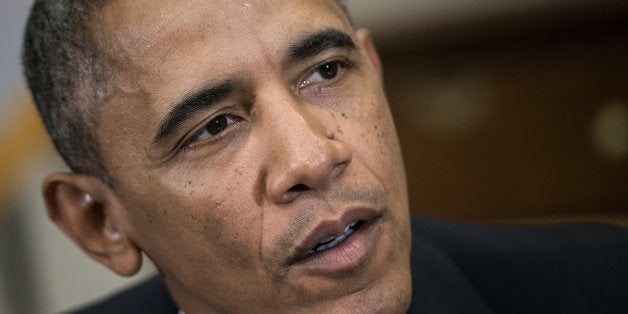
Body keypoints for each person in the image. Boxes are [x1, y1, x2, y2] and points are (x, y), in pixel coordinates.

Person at [21, 1, 628, 313]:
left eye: (326, 71)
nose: (314, 157)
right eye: (213, 127)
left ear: (376, 71)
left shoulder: (604, 287)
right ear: (97, 222)